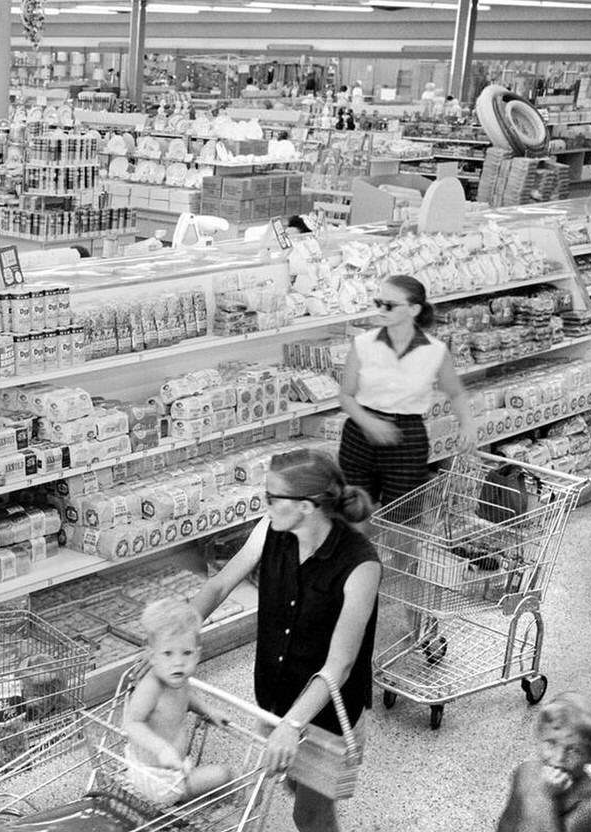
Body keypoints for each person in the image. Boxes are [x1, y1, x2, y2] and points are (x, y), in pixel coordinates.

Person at [192, 448, 381, 832]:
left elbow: (339, 665)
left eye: (272, 497)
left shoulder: (361, 564)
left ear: (308, 506)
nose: (266, 505)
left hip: (325, 715)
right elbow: (221, 584)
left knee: (309, 815)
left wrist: (292, 725)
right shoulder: (271, 531)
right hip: (275, 697)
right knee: (293, 780)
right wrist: (177, 629)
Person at [338, 275, 477, 512]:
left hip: (407, 439)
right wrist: (369, 423)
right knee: (354, 517)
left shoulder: (435, 351)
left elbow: (456, 393)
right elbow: (346, 396)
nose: (381, 310)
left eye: (389, 305)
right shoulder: (362, 343)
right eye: (378, 302)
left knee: (403, 521)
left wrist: (467, 424)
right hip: (359, 436)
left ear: (414, 309)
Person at [121, 598, 234, 806]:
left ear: (198, 655)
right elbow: (132, 723)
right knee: (223, 774)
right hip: (157, 781)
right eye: (168, 653)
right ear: (152, 656)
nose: (178, 661)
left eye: (187, 653)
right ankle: (221, 805)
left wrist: (207, 709)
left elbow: (185, 698)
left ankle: (201, 796)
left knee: (212, 775)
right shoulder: (151, 687)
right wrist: (161, 748)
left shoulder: (177, 678)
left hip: (172, 768)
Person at [497, 692, 591, 832]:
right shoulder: (526, 771)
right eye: (551, 743)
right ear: (539, 735)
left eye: (574, 750)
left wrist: (544, 794)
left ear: (590, 755)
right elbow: (506, 826)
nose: (558, 759)